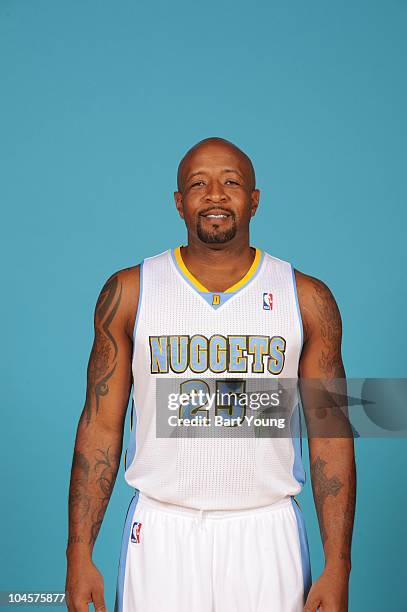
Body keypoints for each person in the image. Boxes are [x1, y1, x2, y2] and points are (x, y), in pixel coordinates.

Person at [65, 136, 356, 612]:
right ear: (179, 202)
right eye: (199, 184)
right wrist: (79, 553)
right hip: (161, 530)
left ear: (255, 200)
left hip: (268, 531)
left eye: (232, 182)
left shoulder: (305, 297)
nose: (215, 194)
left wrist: (338, 567)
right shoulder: (130, 292)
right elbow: (99, 425)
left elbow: (332, 434)